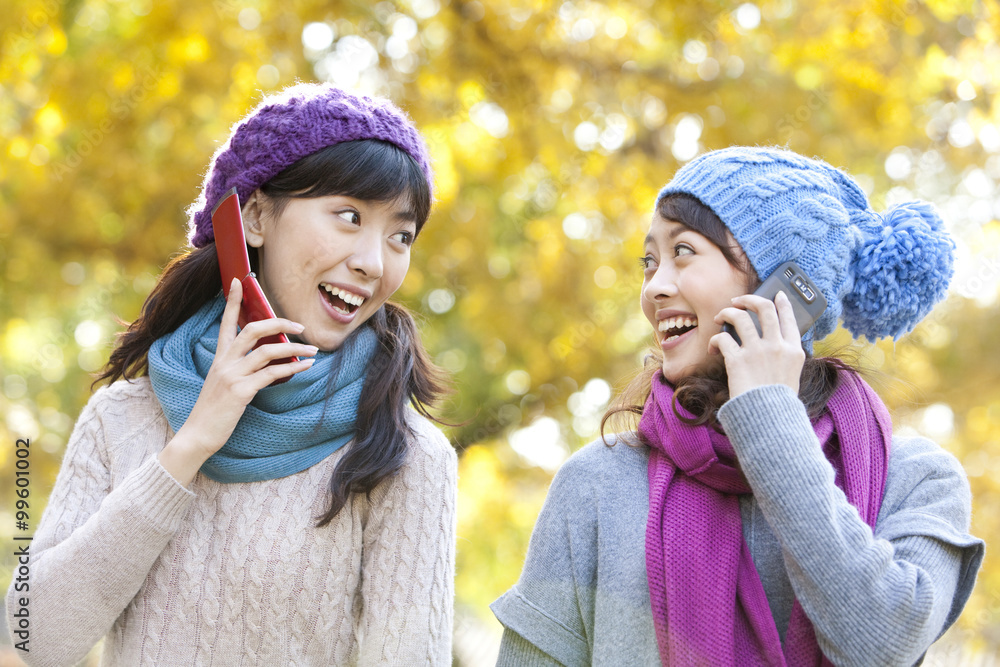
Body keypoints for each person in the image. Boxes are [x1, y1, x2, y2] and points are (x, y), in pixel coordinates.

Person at [5, 83, 457, 666]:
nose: (374, 261)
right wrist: (189, 448)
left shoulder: (405, 455)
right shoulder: (122, 419)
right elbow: (29, 645)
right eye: (349, 217)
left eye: (401, 236)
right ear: (255, 217)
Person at [491, 146, 984, 666]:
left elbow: (882, 643)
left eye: (684, 251)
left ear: (783, 292)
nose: (654, 287)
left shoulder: (916, 481)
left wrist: (769, 418)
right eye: (650, 261)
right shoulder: (598, 483)